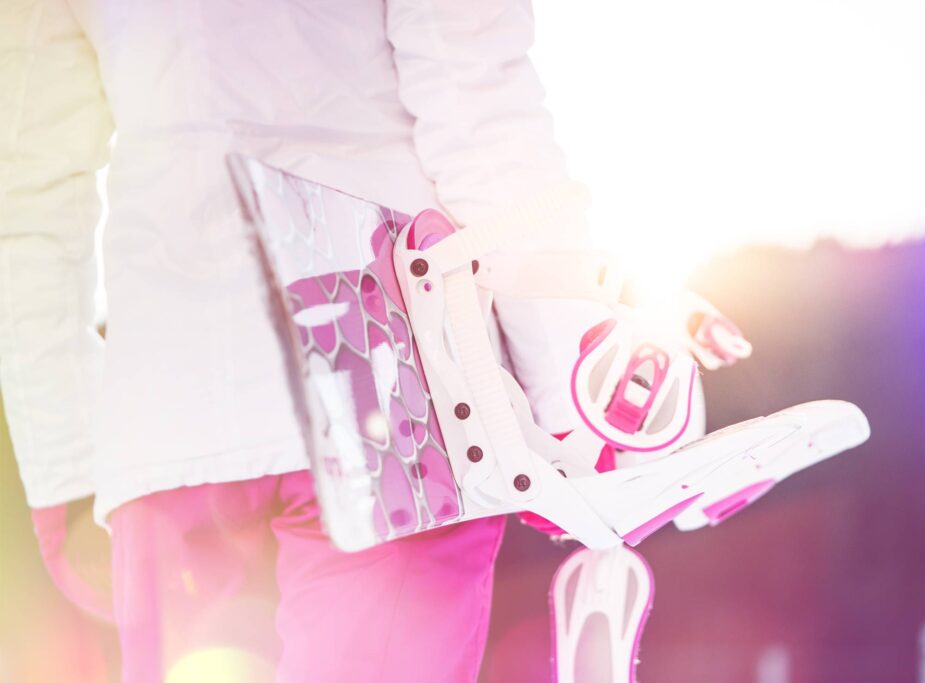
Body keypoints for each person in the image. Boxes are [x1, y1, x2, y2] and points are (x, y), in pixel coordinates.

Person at [0, 1, 591, 679]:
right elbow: (473, 95)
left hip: (165, 417)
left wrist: (67, 473)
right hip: (384, 376)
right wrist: (571, 389)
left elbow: (28, 201)